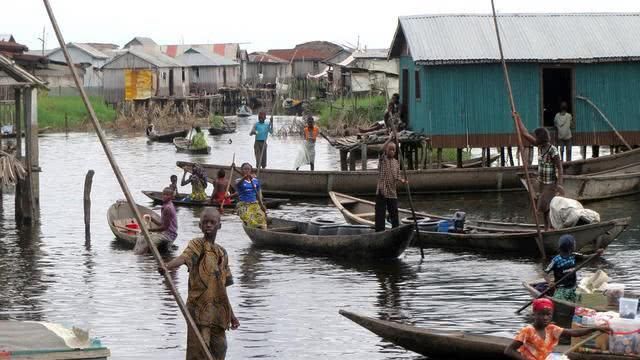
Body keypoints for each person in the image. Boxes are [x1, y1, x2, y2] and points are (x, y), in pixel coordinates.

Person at [160, 208, 240, 360]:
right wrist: (167, 266)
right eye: (205, 222)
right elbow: (184, 257)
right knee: (200, 351)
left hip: (218, 312)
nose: (208, 225)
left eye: (212, 222)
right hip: (199, 310)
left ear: (219, 226)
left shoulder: (222, 253)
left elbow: (222, 288)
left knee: (220, 347)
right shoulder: (197, 244)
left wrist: (232, 315)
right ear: (200, 225)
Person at [504, 298, 609, 360]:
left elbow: (574, 332)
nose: (545, 317)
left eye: (548, 314)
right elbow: (509, 350)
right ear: (534, 314)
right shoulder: (528, 330)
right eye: (541, 314)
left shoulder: (551, 329)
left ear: (552, 315)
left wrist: (595, 328)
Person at [515, 114, 563, 230]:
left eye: (536, 137)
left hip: (551, 184)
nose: (534, 138)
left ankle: (550, 227)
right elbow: (525, 134)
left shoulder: (552, 150)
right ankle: (547, 228)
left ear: (540, 138)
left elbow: (560, 168)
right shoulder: (539, 146)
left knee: (541, 207)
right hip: (542, 182)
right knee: (546, 209)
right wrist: (518, 119)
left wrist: (560, 184)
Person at [543, 235, 603, 302]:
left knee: (581, 301)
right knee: (559, 301)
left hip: (573, 287)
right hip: (561, 288)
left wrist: (597, 254)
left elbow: (586, 257)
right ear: (569, 246)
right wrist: (550, 283)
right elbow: (545, 273)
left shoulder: (574, 255)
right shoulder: (556, 260)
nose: (575, 245)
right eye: (574, 243)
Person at [375, 135, 407, 232]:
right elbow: (380, 150)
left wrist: (402, 180)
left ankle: (395, 231)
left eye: (394, 150)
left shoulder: (396, 163)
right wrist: (389, 139)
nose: (392, 151)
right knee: (380, 216)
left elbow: (397, 176)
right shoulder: (382, 159)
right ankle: (380, 233)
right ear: (386, 150)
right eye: (390, 149)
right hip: (382, 191)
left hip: (392, 193)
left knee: (394, 215)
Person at [134, 187, 178, 254]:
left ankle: (139, 255)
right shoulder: (166, 206)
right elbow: (162, 224)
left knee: (143, 239)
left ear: (172, 197)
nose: (164, 196)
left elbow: (164, 228)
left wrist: (148, 230)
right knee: (145, 236)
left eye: (167, 195)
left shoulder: (167, 208)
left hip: (168, 235)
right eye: (163, 194)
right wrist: (152, 219)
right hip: (167, 233)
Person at [233, 163, 267, 229]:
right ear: (242, 170)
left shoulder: (255, 181)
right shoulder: (238, 180)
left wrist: (262, 205)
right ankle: (254, 228)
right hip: (244, 205)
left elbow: (258, 194)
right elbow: (237, 185)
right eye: (245, 169)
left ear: (251, 170)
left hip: (254, 204)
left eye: (248, 169)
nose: (246, 170)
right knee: (249, 219)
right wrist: (243, 178)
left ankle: (262, 230)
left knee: (262, 219)